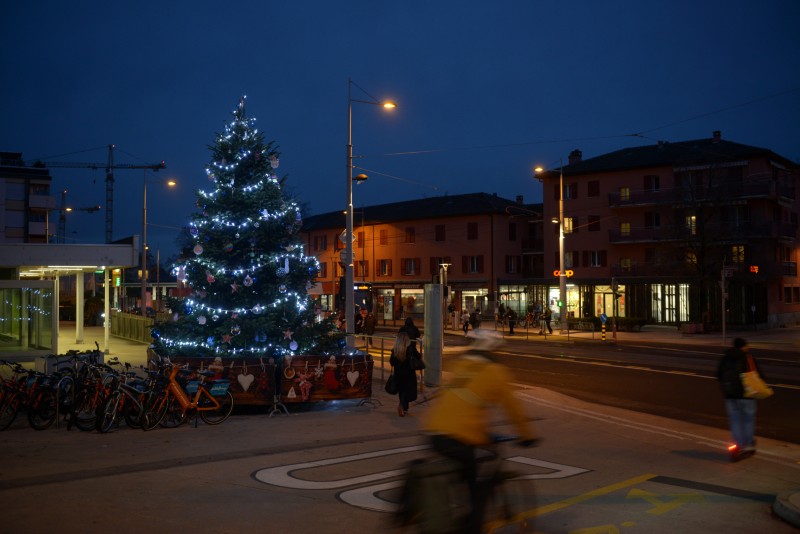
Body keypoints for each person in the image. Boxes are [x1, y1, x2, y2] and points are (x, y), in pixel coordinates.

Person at [422, 330, 538, 533]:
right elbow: (513, 410)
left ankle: (459, 512)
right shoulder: (495, 372)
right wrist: (527, 435)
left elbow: (457, 401)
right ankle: (473, 527)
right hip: (461, 438)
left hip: (434, 433)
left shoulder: (460, 365)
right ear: (493, 350)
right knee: (483, 480)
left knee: (466, 472)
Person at [716, 337, 762, 461]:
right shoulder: (747, 357)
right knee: (748, 420)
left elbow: (719, 375)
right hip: (747, 395)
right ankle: (749, 444)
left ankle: (739, 445)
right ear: (743, 346)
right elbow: (758, 375)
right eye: (746, 345)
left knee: (735, 421)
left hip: (731, 396)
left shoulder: (726, 358)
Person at [390, 329, 421, 417]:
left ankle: (404, 407)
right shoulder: (411, 348)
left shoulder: (395, 349)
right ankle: (402, 406)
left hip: (398, 373)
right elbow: (418, 356)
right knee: (407, 390)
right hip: (409, 373)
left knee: (401, 390)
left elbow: (391, 362)